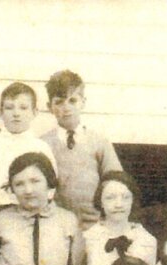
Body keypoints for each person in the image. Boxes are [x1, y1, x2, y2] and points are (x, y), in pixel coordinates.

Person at [40, 69, 122, 229]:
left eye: (72, 101)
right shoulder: (43, 144)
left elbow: (116, 181)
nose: (66, 107)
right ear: (49, 107)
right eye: (59, 102)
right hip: (55, 225)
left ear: (83, 102)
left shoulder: (99, 142)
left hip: (93, 223)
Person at [0, 82, 55, 230]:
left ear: (35, 112)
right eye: (9, 108)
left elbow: (51, 189)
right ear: (0, 112)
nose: (16, 113)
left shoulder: (41, 147)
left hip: (31, 213)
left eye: (23, 108)